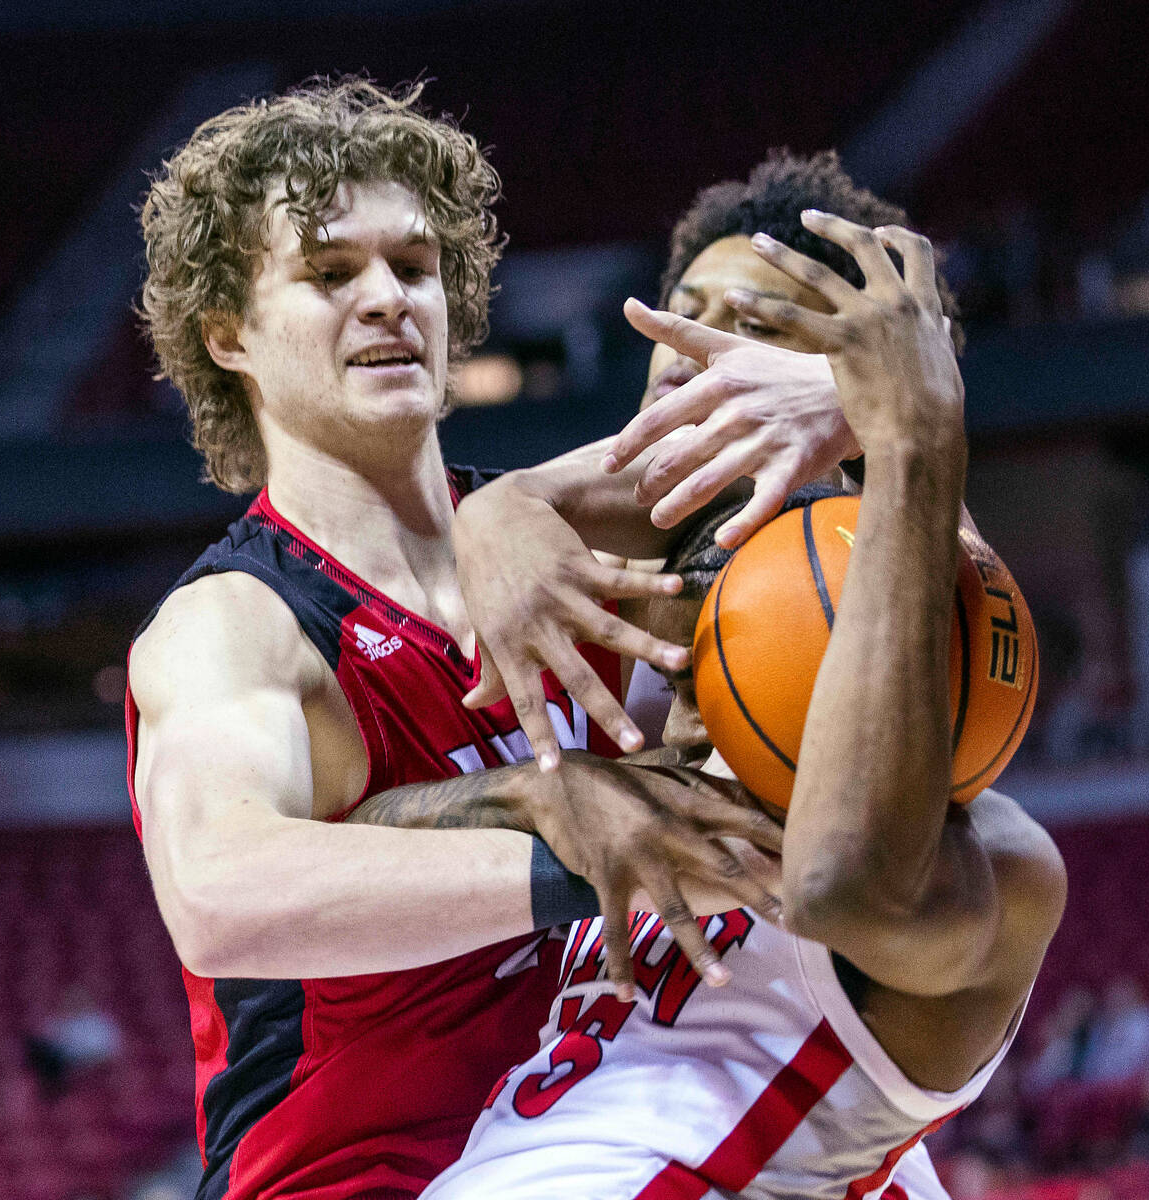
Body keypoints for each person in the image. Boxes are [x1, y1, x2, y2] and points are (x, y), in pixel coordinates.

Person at [126, 81, 849, 1200]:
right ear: (227, 333)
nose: (386, 299)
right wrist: (582, 851)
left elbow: (845, 419)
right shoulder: (236, 623)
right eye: (330, 273)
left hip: (575, 1152)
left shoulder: (555, 525)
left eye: (413, 267)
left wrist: (852, 388)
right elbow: (221, 894)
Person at [356, 153, 1067, 1197]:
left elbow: (838, 883)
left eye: (751, 325)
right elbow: (362, 842)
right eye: (681, 313)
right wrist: (534, 792)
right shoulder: (638, 750)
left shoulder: (993, 864)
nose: (686, 349)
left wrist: (910, 431)